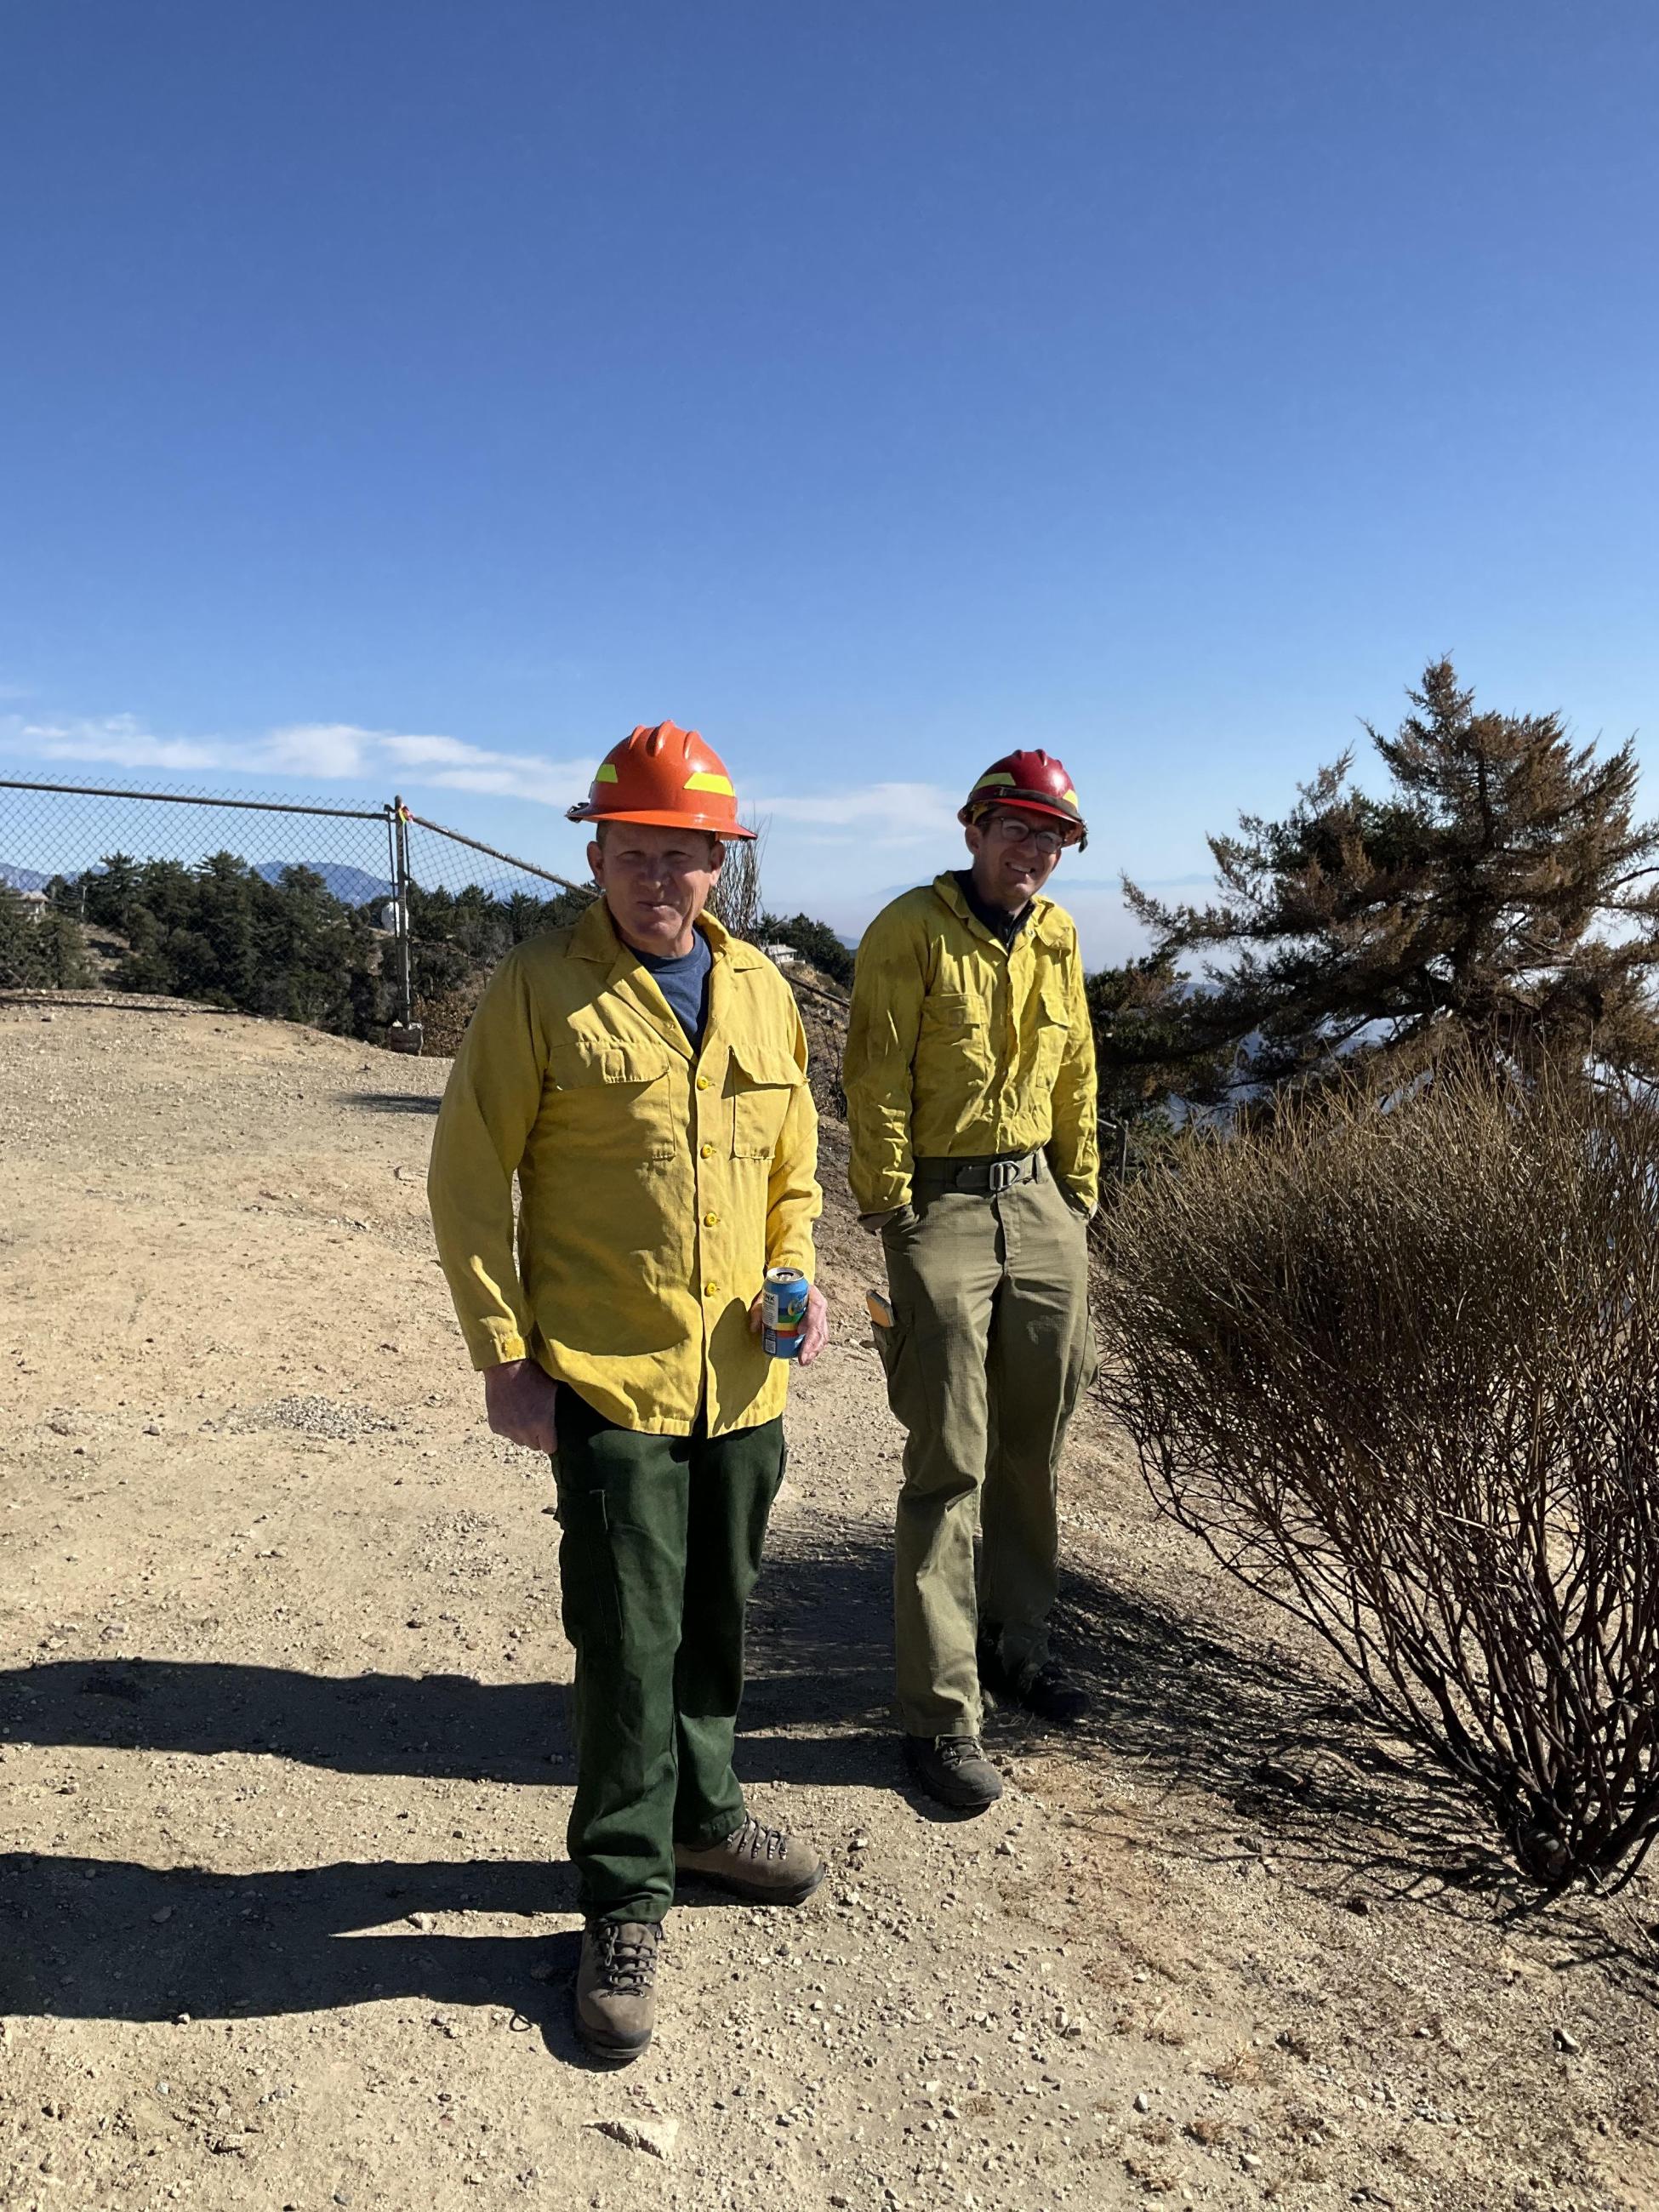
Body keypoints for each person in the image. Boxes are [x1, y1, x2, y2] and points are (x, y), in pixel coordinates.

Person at [428, 720, 830, 2061]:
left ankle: (703, 1819)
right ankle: (619, 1894)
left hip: (743, 1388)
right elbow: (470, 1182)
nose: (665, 876)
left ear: (723, 863)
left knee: (716, 1622)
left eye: (690, 854)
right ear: (596, 853)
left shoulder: (763, 989)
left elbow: (792, 1172)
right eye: (639, 851)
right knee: (625, 1646)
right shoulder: (538, 990)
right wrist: (502, 1353)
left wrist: (799, 1273)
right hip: (608, 1382)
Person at [842, 750, 1098, 1813]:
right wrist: (895, 1208)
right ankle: (941, 1713)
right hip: (940, 1207)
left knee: (1034, 1443)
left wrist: (1077, 1194)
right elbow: (875, 1073)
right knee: (948, 1459)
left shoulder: (1059, 935)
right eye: (1017, 829)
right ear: (975, 829)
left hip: (1041, 1202)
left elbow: (1078, 1061)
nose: (1032, 851)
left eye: (1050, 837)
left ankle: (1016, 1644)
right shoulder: (910, 928)